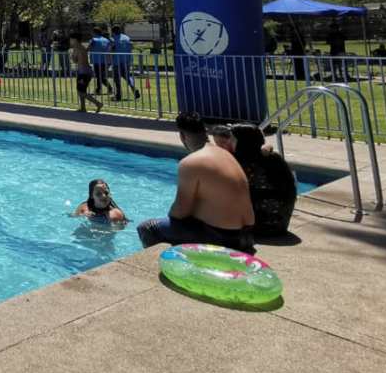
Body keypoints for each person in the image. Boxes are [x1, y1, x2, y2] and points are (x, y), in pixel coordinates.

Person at [137, 112, 255, 253]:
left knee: (147, 228)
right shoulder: (226, 154)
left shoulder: (191, 162)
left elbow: (179, 212)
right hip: (247, 235)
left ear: (182, 136)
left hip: (224, 238)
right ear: (205, 131)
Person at [224, 124, 299, 237]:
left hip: (263, 226)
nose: (229, 142)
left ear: (243, 142)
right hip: (279, 223)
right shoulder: (271, 157)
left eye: (233, 139)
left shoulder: (245, 163)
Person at [69, 33, 103, 113]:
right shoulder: (82, 47)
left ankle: (98, 103)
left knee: (81, 91)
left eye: (71, 39)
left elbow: (74, 60)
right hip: (87, 71)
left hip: (83, 72)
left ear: (75, 40)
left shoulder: (76, 48)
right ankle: (83, 108)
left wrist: (71, 56)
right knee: (81, 90)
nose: (70, 41)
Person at [110, 25, 140, 101]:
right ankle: (134, 89)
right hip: (127, 60)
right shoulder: (127, 37)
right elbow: (131, 46)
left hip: (117, 61)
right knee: (127, 76)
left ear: (113, 32)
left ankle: (118, 95)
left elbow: (111, 50)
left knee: (117, 79)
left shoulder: (113, 39)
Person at [88, 27, 113, 95]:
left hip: (97, 60)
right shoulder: (106, 40)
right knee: (100, 76)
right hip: (106, 60)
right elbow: (110, 48)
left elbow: (88, 48)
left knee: (100, 76)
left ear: (94, 32)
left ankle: (109, 88)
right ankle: (99, 89)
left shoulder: (93, 40)